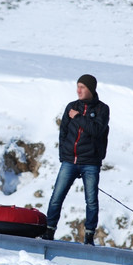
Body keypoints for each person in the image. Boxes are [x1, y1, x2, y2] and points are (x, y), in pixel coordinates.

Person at [42, 74, 110, 244]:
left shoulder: (102, 109)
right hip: (69, 161)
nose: (78, 90)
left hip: (90, 163)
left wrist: (78, 117)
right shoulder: (71, 107)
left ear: (91, 89)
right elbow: (63, 131)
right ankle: (49, 231)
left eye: (82, 87)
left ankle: (88, 237)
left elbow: (96, 130)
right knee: (57, 197)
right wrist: (63, 154)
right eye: (78, 86)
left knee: (91, 201)